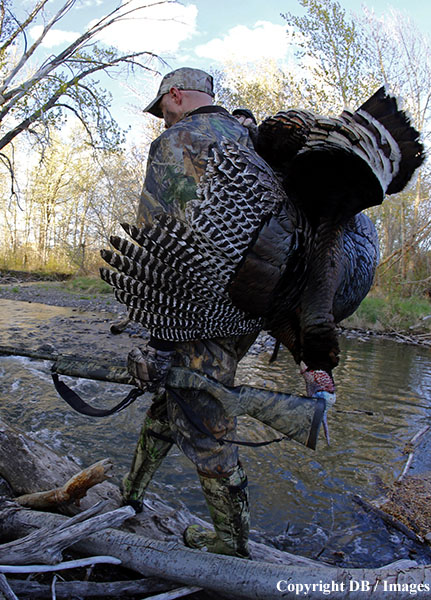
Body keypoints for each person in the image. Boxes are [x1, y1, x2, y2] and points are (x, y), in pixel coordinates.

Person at [121, 67, 259, 559]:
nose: (162, 120)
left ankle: (232, 546)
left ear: (175, 96)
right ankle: (130, 495)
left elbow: (160, 243)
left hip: (195, 306)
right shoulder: (251, 137)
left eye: (162, 109)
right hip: (248, 313)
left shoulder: (181, 140)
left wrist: (159, 336)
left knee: (206, 421)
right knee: (171, 394)